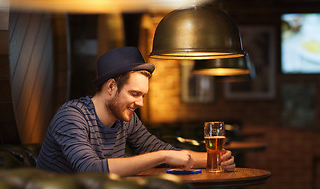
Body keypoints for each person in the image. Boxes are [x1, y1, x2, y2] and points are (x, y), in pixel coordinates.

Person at [37, 46, 235, 176]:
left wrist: (217, 159)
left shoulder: (126, 119)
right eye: (134, 94)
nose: (140, 103)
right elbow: (91, 170)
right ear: (111, 87)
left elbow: (166, 151)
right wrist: (161, 157)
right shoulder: (71, 116)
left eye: (143, 96)